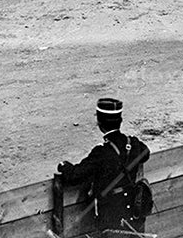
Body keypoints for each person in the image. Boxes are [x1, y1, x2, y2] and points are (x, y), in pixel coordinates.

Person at [57, 97, 151, 237]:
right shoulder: (133, 143)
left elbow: (74, 176)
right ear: (120, 120)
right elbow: (146, 153)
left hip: (111, 216)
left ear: (100, 124)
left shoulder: (101, 152)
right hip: (133, 211)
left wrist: (63, 166)